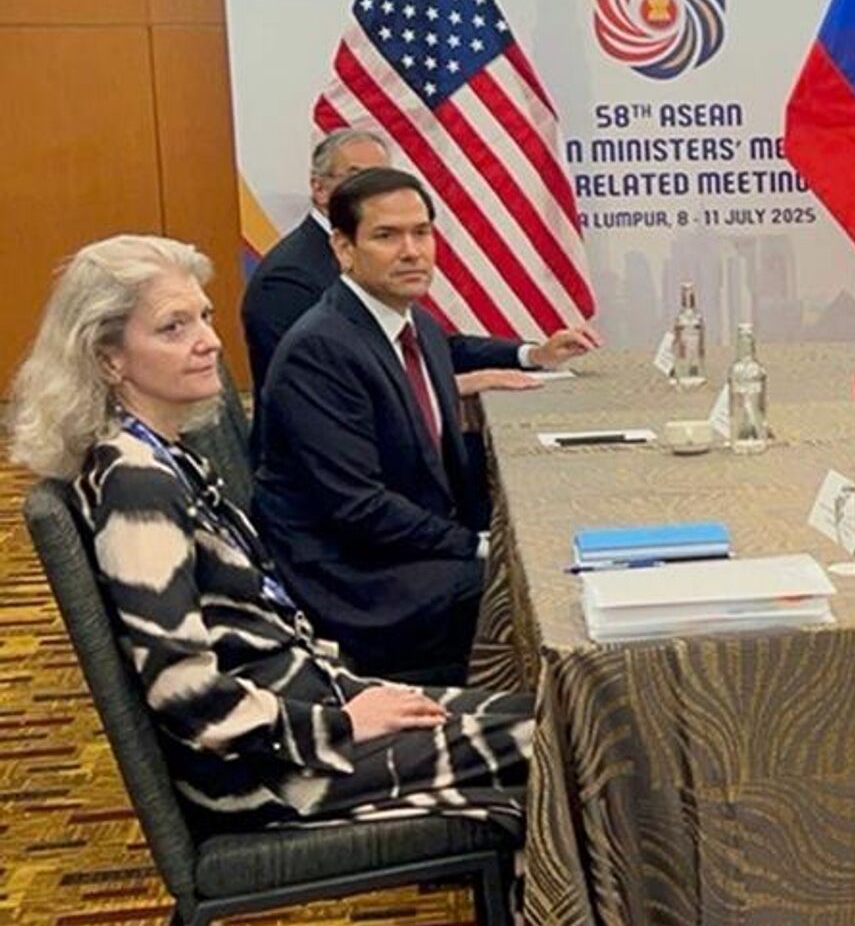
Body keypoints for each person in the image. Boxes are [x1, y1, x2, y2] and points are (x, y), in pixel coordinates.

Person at [6, 234, 531, 833]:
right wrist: (345, 722)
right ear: (108, 359)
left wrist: (348, 694)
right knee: (575, 742)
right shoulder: (135, 485)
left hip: (309, 709)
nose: (209, 341)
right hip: (278, 769)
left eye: (204, 317)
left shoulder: (164, 455)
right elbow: (185, 693)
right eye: (173, 328)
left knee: (567, 720)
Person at [251, 166, 597, 683]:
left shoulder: (411, 324)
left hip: (409, 546)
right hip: (360, 582)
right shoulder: (320, 350)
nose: (412, 251)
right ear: (344, 249)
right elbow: (359, 507)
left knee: (562, 545)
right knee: (557, 592)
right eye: (387, 236)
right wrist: (482, 545)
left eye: (421, 232)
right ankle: (550, 721)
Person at [239, 129, 547, 400]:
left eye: (421, 232)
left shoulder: (387, 274)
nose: (410, 251)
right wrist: (455, 386)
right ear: (319, 189)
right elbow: (314, 390)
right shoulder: (286, 278)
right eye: (357, 177)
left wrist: (531, 354)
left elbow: (430, 347)